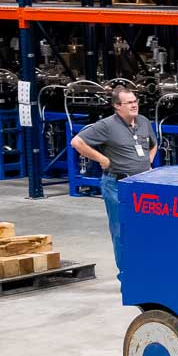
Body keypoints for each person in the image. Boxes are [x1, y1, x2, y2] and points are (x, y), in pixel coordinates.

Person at [70, 86, 158, 260]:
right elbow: (77, 142)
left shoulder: (143, 121)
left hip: (142, 185)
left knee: (144, 228)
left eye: (135, 101)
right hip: (117, 185)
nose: (134, 105)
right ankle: (125, 274)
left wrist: (148, 161)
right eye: (129, 103)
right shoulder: (106, 125)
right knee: (121, 230)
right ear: (117, 106)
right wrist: (102, 159)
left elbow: (153, 144)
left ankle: (143, 268)